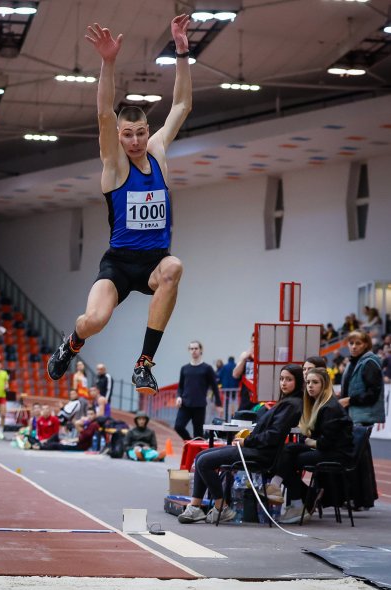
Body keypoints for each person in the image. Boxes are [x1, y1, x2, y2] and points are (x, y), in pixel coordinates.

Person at [47, 14, 192, 396]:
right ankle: (71, 344)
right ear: (120, 136)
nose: (135, 141)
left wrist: (180, 50)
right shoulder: (114, 166)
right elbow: (102, 114)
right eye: (127, 134)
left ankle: (144, 364)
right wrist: (108, 62)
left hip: (153, 262)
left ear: (148, 130)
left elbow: (181, 105)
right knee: (94, 320)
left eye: (140, 133)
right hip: (118, 263)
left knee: (174, 267)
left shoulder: (158, 152)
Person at [178, 364, 304, 524]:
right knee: (200, 456)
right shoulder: (286, 402)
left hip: (262, 454)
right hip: (255, 448)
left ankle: (221, 508)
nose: (284, 383)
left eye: (289, 379)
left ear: (298, 381)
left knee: (204, 462)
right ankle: (195, 507)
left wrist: (247, 441)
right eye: (281, 379)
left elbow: (273, 436)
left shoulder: (292, 405)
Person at [271, 368, 354, 524]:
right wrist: (308, 440)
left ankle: (293, 499)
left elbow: (325, 443)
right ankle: (301, 495)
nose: (310, 386)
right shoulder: (317, 404)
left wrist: (309, 442)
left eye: (315, 382)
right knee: (287, 451)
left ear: (325, 385)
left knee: (287, 461)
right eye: (308, 382)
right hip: (326, 448)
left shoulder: (330, 407)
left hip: (336, 454)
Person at [338, 330, 385, 509]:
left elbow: (373, 394)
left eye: (358, 343)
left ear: (366, 344)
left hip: (363, 417)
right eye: (351, 343)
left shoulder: (370, 363)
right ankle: (361, 498)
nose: (354, 346)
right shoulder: (354, 362)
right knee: (359, 458)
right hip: (354, 415)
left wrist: (349, 400)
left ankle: (361, 500)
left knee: (359, 460)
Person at [174, 340, 222, 440]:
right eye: (191, 349)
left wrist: (218, 404)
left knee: (198, 434)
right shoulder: (184, 368)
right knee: (178, 427)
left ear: (200, 350)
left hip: (199, 405)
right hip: (185, 404)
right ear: (189, 351)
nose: (194, 351)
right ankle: (189, 443)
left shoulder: (207, 368)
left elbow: (214, 387)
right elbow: (181, 386)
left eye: (196, 348)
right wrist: (178, 397)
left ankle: (196, 452)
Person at [233, 334, 255, 411]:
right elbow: (235, 374)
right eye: (253, 342)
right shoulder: (245, 356)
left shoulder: (266, 357)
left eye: (257, 342)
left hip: (261, 396)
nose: (255, 344)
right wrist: (243, 359)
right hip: (246, 395)